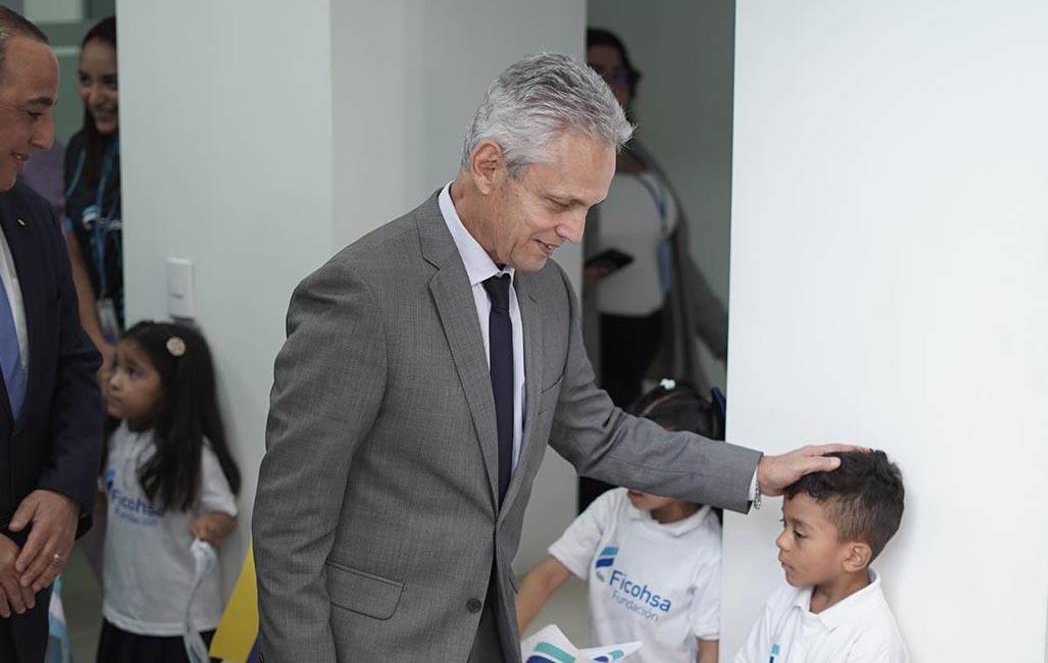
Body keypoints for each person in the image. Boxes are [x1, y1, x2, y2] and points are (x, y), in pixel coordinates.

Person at [252, 52, 853, 662]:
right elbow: (288, 525)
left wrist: (753, 472)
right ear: (489, 166)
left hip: (484, 637)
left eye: (589, 208)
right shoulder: (361, 294)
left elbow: (600, 434)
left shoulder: (547, 291)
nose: (576, 232)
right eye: (560, 204)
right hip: (365, 646)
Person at [579, 28, 731, 510]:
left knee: (654, 441)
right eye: (596, 71)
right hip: (596, 337)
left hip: (652, 333)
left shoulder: (644, 161)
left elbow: (680, 263)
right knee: (604, 448)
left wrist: (729, 342)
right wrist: (577, 273)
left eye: (619, 73)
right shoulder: (564, 161)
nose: (611, 83)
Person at [0, 5, 104, 663]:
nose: (46, 140)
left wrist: (67, 491)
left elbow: (75, 369)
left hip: (22, 600)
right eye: (34, 111)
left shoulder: (34, 223)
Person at [516, 380, 725, 663]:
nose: (630, 473)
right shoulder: (614, 506)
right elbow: (545, 577)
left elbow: (708, 653)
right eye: (628, 455)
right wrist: (500, 646)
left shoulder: (710, 552)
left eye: (650, 460)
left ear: (691, 468)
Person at [96, 320, 241, 663]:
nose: (113, 382)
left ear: (172, 389)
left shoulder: (193, 454)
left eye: (133, 373)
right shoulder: (116, 438)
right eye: (115, 366)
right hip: (122, 606)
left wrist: (211, 526)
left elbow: (225, 511)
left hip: (178, 619)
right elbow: (108, 498)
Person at [735, 451, 909, 663]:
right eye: (784, 523)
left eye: (799, 533)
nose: (781, 541)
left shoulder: (873, 644)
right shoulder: (786, 596)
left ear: (854, 557)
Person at [63, 16, 123, 365]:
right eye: (85, 80)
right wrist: (96, 341)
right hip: (97, 333)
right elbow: (73, 250)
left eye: (111, 82)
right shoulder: (78, 150)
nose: (95, 96)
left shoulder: (159, 159)